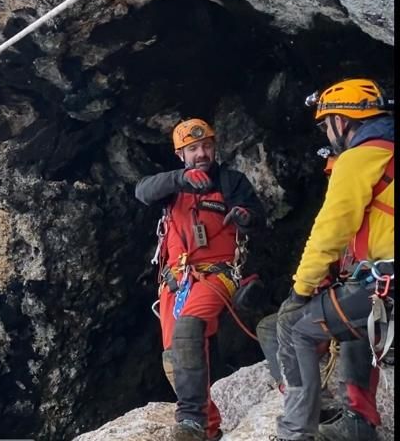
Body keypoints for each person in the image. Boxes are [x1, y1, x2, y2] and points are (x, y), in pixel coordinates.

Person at [274, 79, 395, 441]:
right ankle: (357, 424)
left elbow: (330, 230)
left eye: (326, 124)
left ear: (342, 121)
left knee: (297, 328)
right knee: (355, 323)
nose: (327, 134)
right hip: (381, 281)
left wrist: (301, 289)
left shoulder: (360, 157)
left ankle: (295, 433)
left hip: (388, 283)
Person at [136, 118, 266, 441]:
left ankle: (192, 422)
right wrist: (180, 180)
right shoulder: (172, 188)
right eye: (193, 149)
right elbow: (142, 191)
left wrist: (244, 217)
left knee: (188, 328)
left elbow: (258, 216)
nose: (202, 154)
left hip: (218, 274)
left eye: (206, 146)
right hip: (176, 280)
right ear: (181, 154)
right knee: (172, 359)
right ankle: (208, 427)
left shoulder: (230, 181)